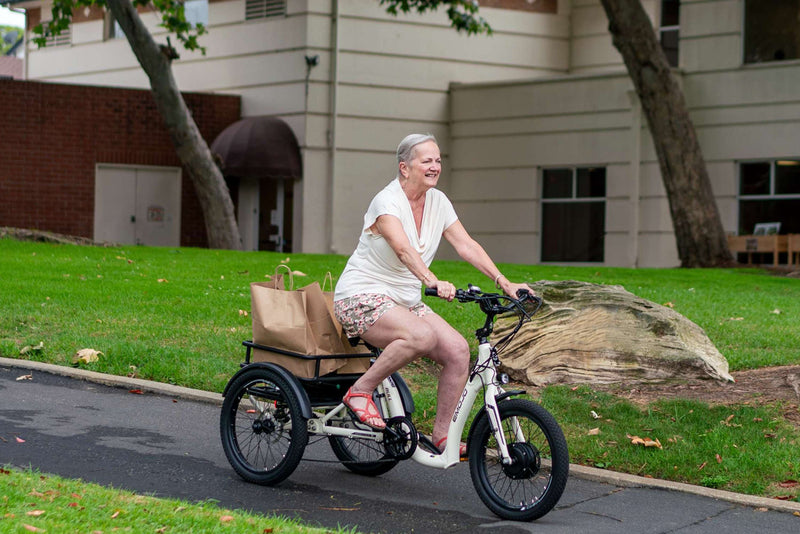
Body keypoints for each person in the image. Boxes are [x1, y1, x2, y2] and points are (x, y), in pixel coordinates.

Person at [333, 133, 530, 455]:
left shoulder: (438, 201)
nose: (435, 166)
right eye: (427, 160)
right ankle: (360, 391)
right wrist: (432, 280)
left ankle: (442, 437)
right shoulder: (387, 201)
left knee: (457, 351)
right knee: (421, 337)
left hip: (404, 301)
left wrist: (504, 282)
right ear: (405, 167)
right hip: (362, 295)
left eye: (438, 160)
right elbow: (403, 249)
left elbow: (465, 244)